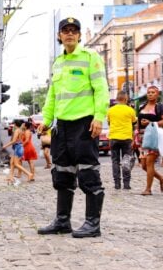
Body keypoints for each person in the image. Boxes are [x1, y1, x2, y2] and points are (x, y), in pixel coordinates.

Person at [37, 17, 109, 238]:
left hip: (84, 124)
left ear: (78, 35)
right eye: (65, 30)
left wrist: (99, 117)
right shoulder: (58, 62)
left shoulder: (90, 57)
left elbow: (101, 89)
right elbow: (53, 95)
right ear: (60, 35)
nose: (69, 34)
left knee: (88, 173)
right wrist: (46, 120)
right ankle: (62, 221)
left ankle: (92, 224)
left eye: (73, 30)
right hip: (62, 126)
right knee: (62, 174)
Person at [137, 85, 163, 195]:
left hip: (154, 137)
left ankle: (148, 189)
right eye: (148, 92)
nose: (150, 94)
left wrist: (151, 123)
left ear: (157, 94)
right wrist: (134, 137)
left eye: (153, 92)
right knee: (144, 166)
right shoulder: (142, 106)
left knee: (150, 163)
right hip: (142, 138)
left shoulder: (160, 107)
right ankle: (161, 178)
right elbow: (138, 122)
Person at [107, 90, 137, 190]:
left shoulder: (110, 110)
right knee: (126, 161)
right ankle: (126, 184)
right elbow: (134, 122)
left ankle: (117, 183)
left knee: (115, 161)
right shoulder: (130, 110)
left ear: (116, 98)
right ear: (126, 98)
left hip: (114, 138)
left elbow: (109, 122)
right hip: (127, 138)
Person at [2, 119, 32, 183]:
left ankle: (29, 174)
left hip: (18, 147)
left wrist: (5, 146)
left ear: (15, 124)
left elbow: (14, 141)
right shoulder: (20, 130)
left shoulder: (17, 131)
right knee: (12, 163)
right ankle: (11, 177)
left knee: (16, 164)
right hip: (19, 147)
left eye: (14, 124)